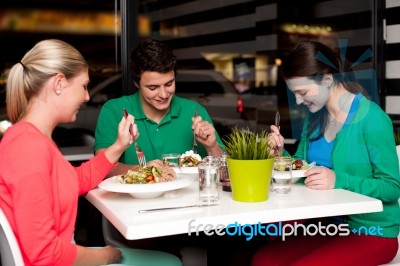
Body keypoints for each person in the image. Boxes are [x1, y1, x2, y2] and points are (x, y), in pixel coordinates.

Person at [0, 39, 182, 266]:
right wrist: (106, 256)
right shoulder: (28, 147)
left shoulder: (34, 140)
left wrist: (119, 146)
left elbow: (73, 181)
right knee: (170, 263)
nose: (87, 96)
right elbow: (44, 254)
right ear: (59, 84)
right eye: (84, 86)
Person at [253, 41, 400, 265]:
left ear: (327, 79)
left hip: (372, 231)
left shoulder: (372, 118)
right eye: (294, 94)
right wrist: (280, 154)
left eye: (302, 92)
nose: (299, 101)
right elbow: (303, 168)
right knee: (263, 260)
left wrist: (338, 180)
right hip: (327, 225)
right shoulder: (314, 118)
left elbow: (391, 187)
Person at [94, 38, 225, 177]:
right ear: (136, 83)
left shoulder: (193, 111)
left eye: (169, 84)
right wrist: (144, 170)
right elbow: (100, 168)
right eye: (153, 87)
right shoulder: (114, 110)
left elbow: (224, 169)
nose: (163, 94)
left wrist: (212, 146)